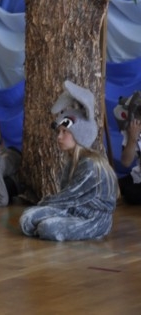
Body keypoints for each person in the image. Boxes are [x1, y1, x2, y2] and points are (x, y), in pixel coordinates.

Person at [20, 80, 118, 241]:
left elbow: (69, 197)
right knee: (28, 218)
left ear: (80, 135)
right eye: (59, 131)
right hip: (75, 210)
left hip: (94, 219)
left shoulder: (91, 165)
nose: (59, 137)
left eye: (65, 132)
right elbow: (66, 199)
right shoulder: (73, 162)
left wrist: (44, 203)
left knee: (46, 227)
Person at [114, 91, 141, 205]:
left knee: (131, 194)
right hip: (138, 174)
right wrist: (132, 138)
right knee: (115, 186)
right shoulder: (132, 129)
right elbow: (126, 162)